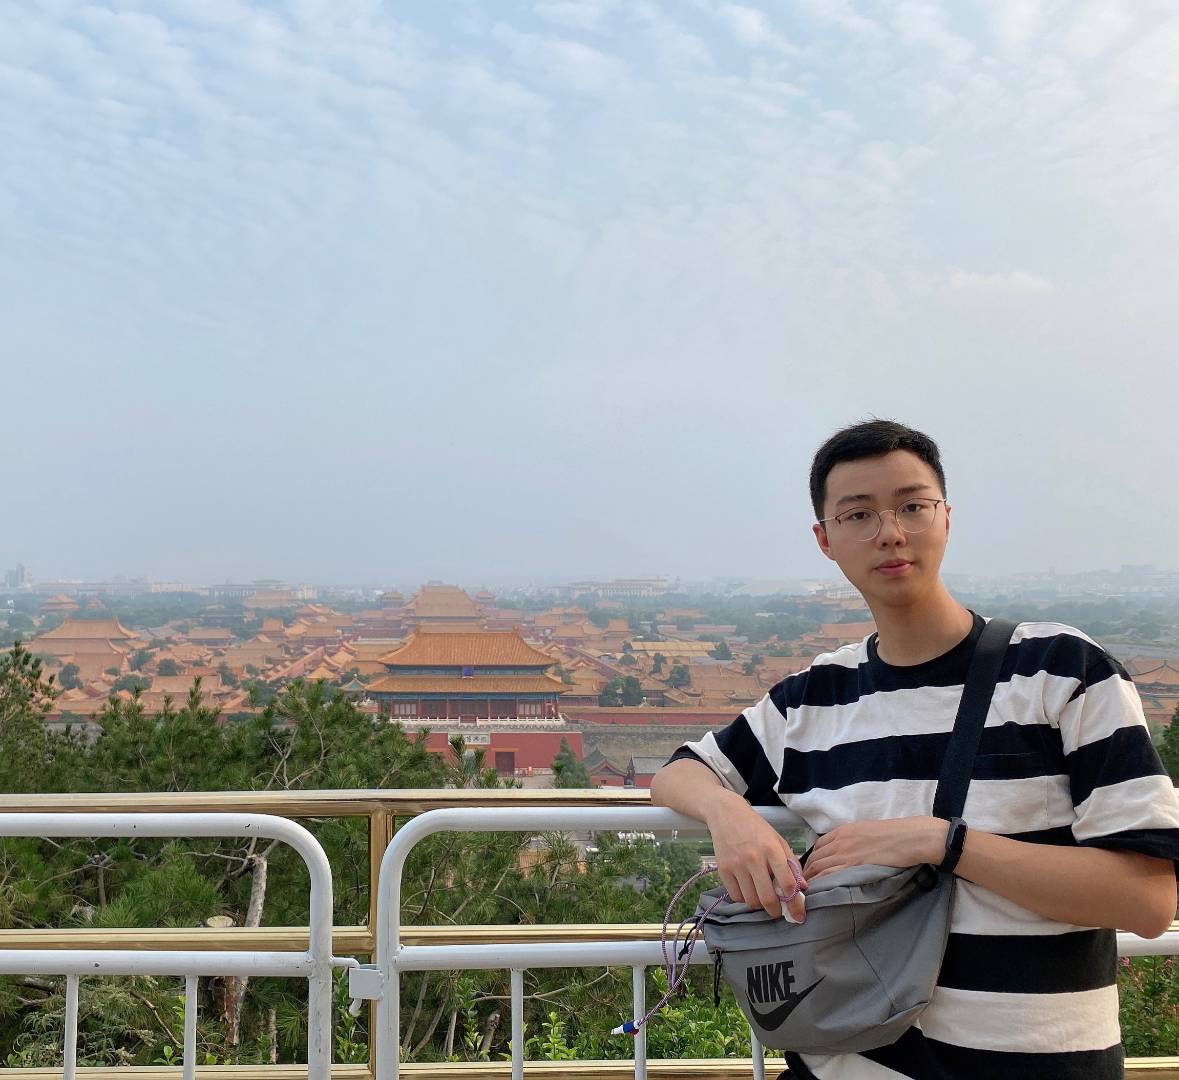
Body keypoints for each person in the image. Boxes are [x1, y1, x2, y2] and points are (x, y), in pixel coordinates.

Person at [650, 419, 1179, 1080]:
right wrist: (732, 818)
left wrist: (940, 843)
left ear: (945, 518)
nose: (890, 533)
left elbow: (1146, 901)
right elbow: (682, 771)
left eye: (911, 506)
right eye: (858, 514)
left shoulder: (1062, 672)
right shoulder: (810, 700)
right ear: (825, 540)